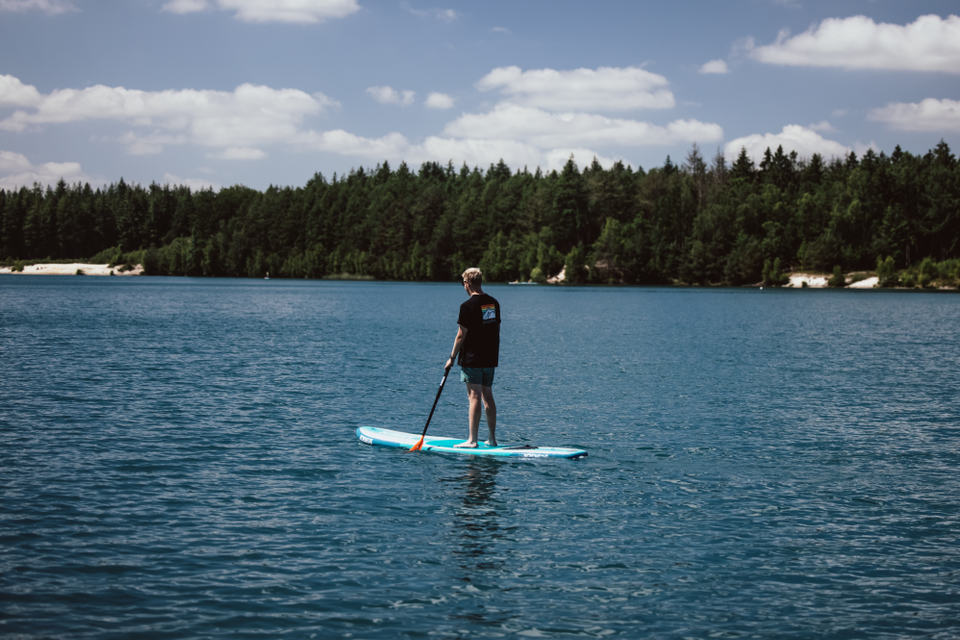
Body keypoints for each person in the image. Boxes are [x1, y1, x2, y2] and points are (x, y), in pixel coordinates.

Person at [445, 267, 501, 448]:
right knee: (488, 396)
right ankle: (492, 439)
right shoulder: (493, 303)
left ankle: (472, 440)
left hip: (473, 358)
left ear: (467, 283)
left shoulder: (467, 306)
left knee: (474, 397)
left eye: (463, 283)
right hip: (490, 358)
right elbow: (494, 330)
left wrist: (451, 358)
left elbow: (461, 335)